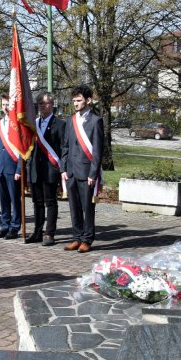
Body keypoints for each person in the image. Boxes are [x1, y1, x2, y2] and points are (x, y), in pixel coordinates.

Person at [61, 85, 104, 253]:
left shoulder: (96, 121)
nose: (76, 104)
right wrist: (63, 168)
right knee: (74, 207)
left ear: (88, 100)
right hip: (70, 171)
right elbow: (65, 146)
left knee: (87, 207)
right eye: (74, 101)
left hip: (86, 173)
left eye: (79, 100)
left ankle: (87, 239)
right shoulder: (71, 120)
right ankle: (76, 237)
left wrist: (93, 173)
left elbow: (98, 151)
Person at [27, 92, 65, 246]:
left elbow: (63, 148)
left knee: (51, 202)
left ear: (52, 104)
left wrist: (61, 169)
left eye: (47, 103)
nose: (44, 106)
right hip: (36, 169)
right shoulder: (33, 124)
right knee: (37, 202)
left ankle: (49, 233)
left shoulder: (60, 124)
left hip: (51, 169)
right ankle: (37, 231)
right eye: (41, 104)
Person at [0, 94, 22, 239]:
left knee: (15, 200)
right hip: (1, 168)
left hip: (13, 168)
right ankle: (5, 225)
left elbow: (23, 149)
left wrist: (19, 169)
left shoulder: (19, 124)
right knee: (3, 200)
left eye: (8, 104)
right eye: (3, 104)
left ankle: (15, 227)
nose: (5, 107)